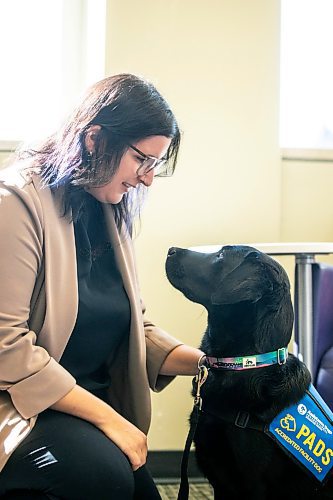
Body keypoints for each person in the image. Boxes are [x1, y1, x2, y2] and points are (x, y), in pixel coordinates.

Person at [0, 73, 206, 499]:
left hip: (79, 408)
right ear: (93, 139)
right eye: (141, 160)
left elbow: (132, 328)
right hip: (21, 408)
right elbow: (7, 348)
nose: (147, 179)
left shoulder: (109, 207)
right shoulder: (14, 204)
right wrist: (112, 421)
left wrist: (211, 365)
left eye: (156, 165)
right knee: (105, 477)